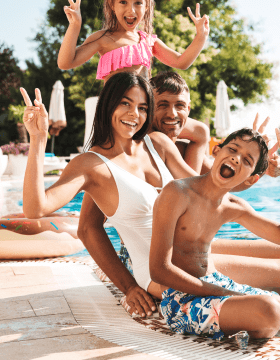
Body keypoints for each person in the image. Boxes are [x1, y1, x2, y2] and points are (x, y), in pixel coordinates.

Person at [77, 71, 280, 320]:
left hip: (182, 244)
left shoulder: (169, 150)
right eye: (161, 105)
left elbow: (210, 188)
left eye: (181, 107)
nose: (173, 115)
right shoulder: (117, 159)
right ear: (148, 108)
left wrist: (259, 163)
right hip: (150, 256)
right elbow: (88, 228)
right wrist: (128, 286)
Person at [20, 72, 197, 302]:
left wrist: (249, 161)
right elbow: (36, 209)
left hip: (191, 253)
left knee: (261, 259)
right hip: (159, 272)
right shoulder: (91, 165)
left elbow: (204, 190)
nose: (134, 114)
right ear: (108, 105)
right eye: (125, 103)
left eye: (143, 107)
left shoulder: (158, 144)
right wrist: (38, 139)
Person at [150, 127, 280, 339]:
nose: (237, 158)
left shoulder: (233, 206)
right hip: (181, 301)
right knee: (271, 311)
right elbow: (159, 270)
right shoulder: (177, 193)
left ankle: (243, 324)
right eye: (232, 149)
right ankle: (245, 324)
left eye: (248, 161)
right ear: (217, 151)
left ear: (251, 179)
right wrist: (222, 293)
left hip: (218, 284)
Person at [57, 0, 209, 171]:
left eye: (138, 3)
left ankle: (190, 188)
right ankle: (188, 187)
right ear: (111, 3)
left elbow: (181, 62)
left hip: (148, 113)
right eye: (123, 2)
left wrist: (200, 37)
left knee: (200, 132)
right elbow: (66, 62)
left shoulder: (147, 41)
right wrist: (75, 26)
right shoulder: (103, 39)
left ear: (147, 6)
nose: (131, 10)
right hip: (122, 115)